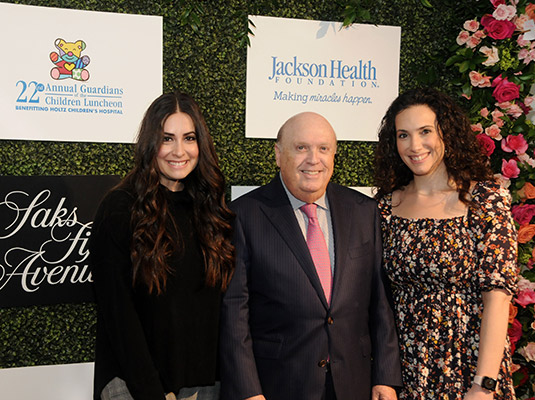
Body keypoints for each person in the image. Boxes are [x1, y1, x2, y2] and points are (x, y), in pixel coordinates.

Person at [219, 111, 402, 400]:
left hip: (354, 384)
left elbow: (380, 303)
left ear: (334, 155)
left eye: (323, 148)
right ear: (278, 154)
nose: (313, 159)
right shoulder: (243, 215)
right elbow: (234, 314)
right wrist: (247, 392)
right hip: (277, 386)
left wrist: (386, 377)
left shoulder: (364, 211)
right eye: (301, 147)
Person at [374, 88, 518, 400]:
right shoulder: (385, 208)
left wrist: (484, 385)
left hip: (470, 369)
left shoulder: (485, 199)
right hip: (406, 373)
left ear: (446, 134)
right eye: (403, 135)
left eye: (425, 131)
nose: (414, 146)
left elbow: (498, 297)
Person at [89, 91, 235, 400]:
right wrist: (152, 392)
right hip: (134, 385)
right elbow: (118, 317)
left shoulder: (211, 210)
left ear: (201, 145)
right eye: (167, 138)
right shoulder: (119, 209)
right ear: (150, 144)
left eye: (189, 138)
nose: (179, 151)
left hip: (204, 385)